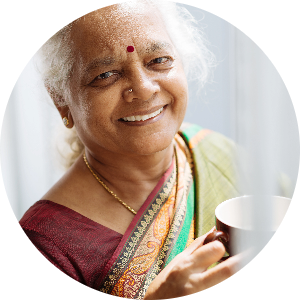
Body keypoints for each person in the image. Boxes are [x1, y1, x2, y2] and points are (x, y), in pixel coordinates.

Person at [19, 1, 241, 299]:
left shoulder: (215, 151)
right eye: (106, 75)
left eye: (159, 60)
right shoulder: (46, 242)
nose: (144, 87)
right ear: (60, 98)